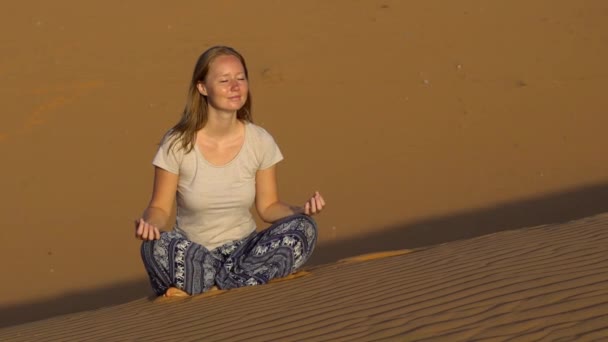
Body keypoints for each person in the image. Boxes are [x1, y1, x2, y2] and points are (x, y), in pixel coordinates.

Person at [135, 46, 326, 297]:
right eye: (224, 81)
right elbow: (159, 208)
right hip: (193, 253)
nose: (235, 87)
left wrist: (299, 211)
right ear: (202, 88)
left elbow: (268, 207)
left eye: (241, 78)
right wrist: (150, 225)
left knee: (304, 228)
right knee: (153, 248)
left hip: (245, 251)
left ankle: (216, 284)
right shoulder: (177, 142)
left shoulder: (259, 140)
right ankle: (232, 280)